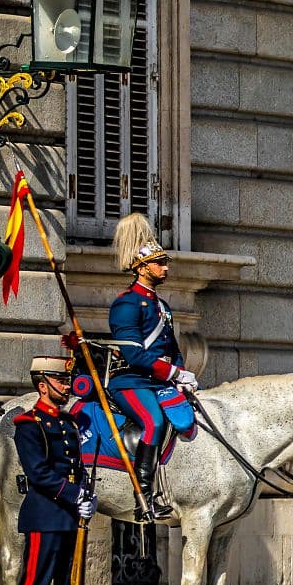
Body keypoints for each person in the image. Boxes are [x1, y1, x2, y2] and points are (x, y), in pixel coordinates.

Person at [12, 354, 105, 585]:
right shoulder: (28, 425)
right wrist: (72, 494)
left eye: (67, 380)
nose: (67, 386)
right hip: (45, 518)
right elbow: (38, 473)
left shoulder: (68, 423)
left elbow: (75, 468)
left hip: (70, 519)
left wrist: (87, 496)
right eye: (61, 381)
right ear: (42, 385)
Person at [106, 212, 193, 523]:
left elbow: (172, 349)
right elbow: (134, 356)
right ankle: (143, 497)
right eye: (159, 262)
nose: (165, 267)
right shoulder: (127, 304)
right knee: (153, 420)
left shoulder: (162, 306)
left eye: (165, 261)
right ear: (141, 267)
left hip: (158, 381)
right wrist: (172, 373)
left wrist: (182, 374)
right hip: (131, 382)